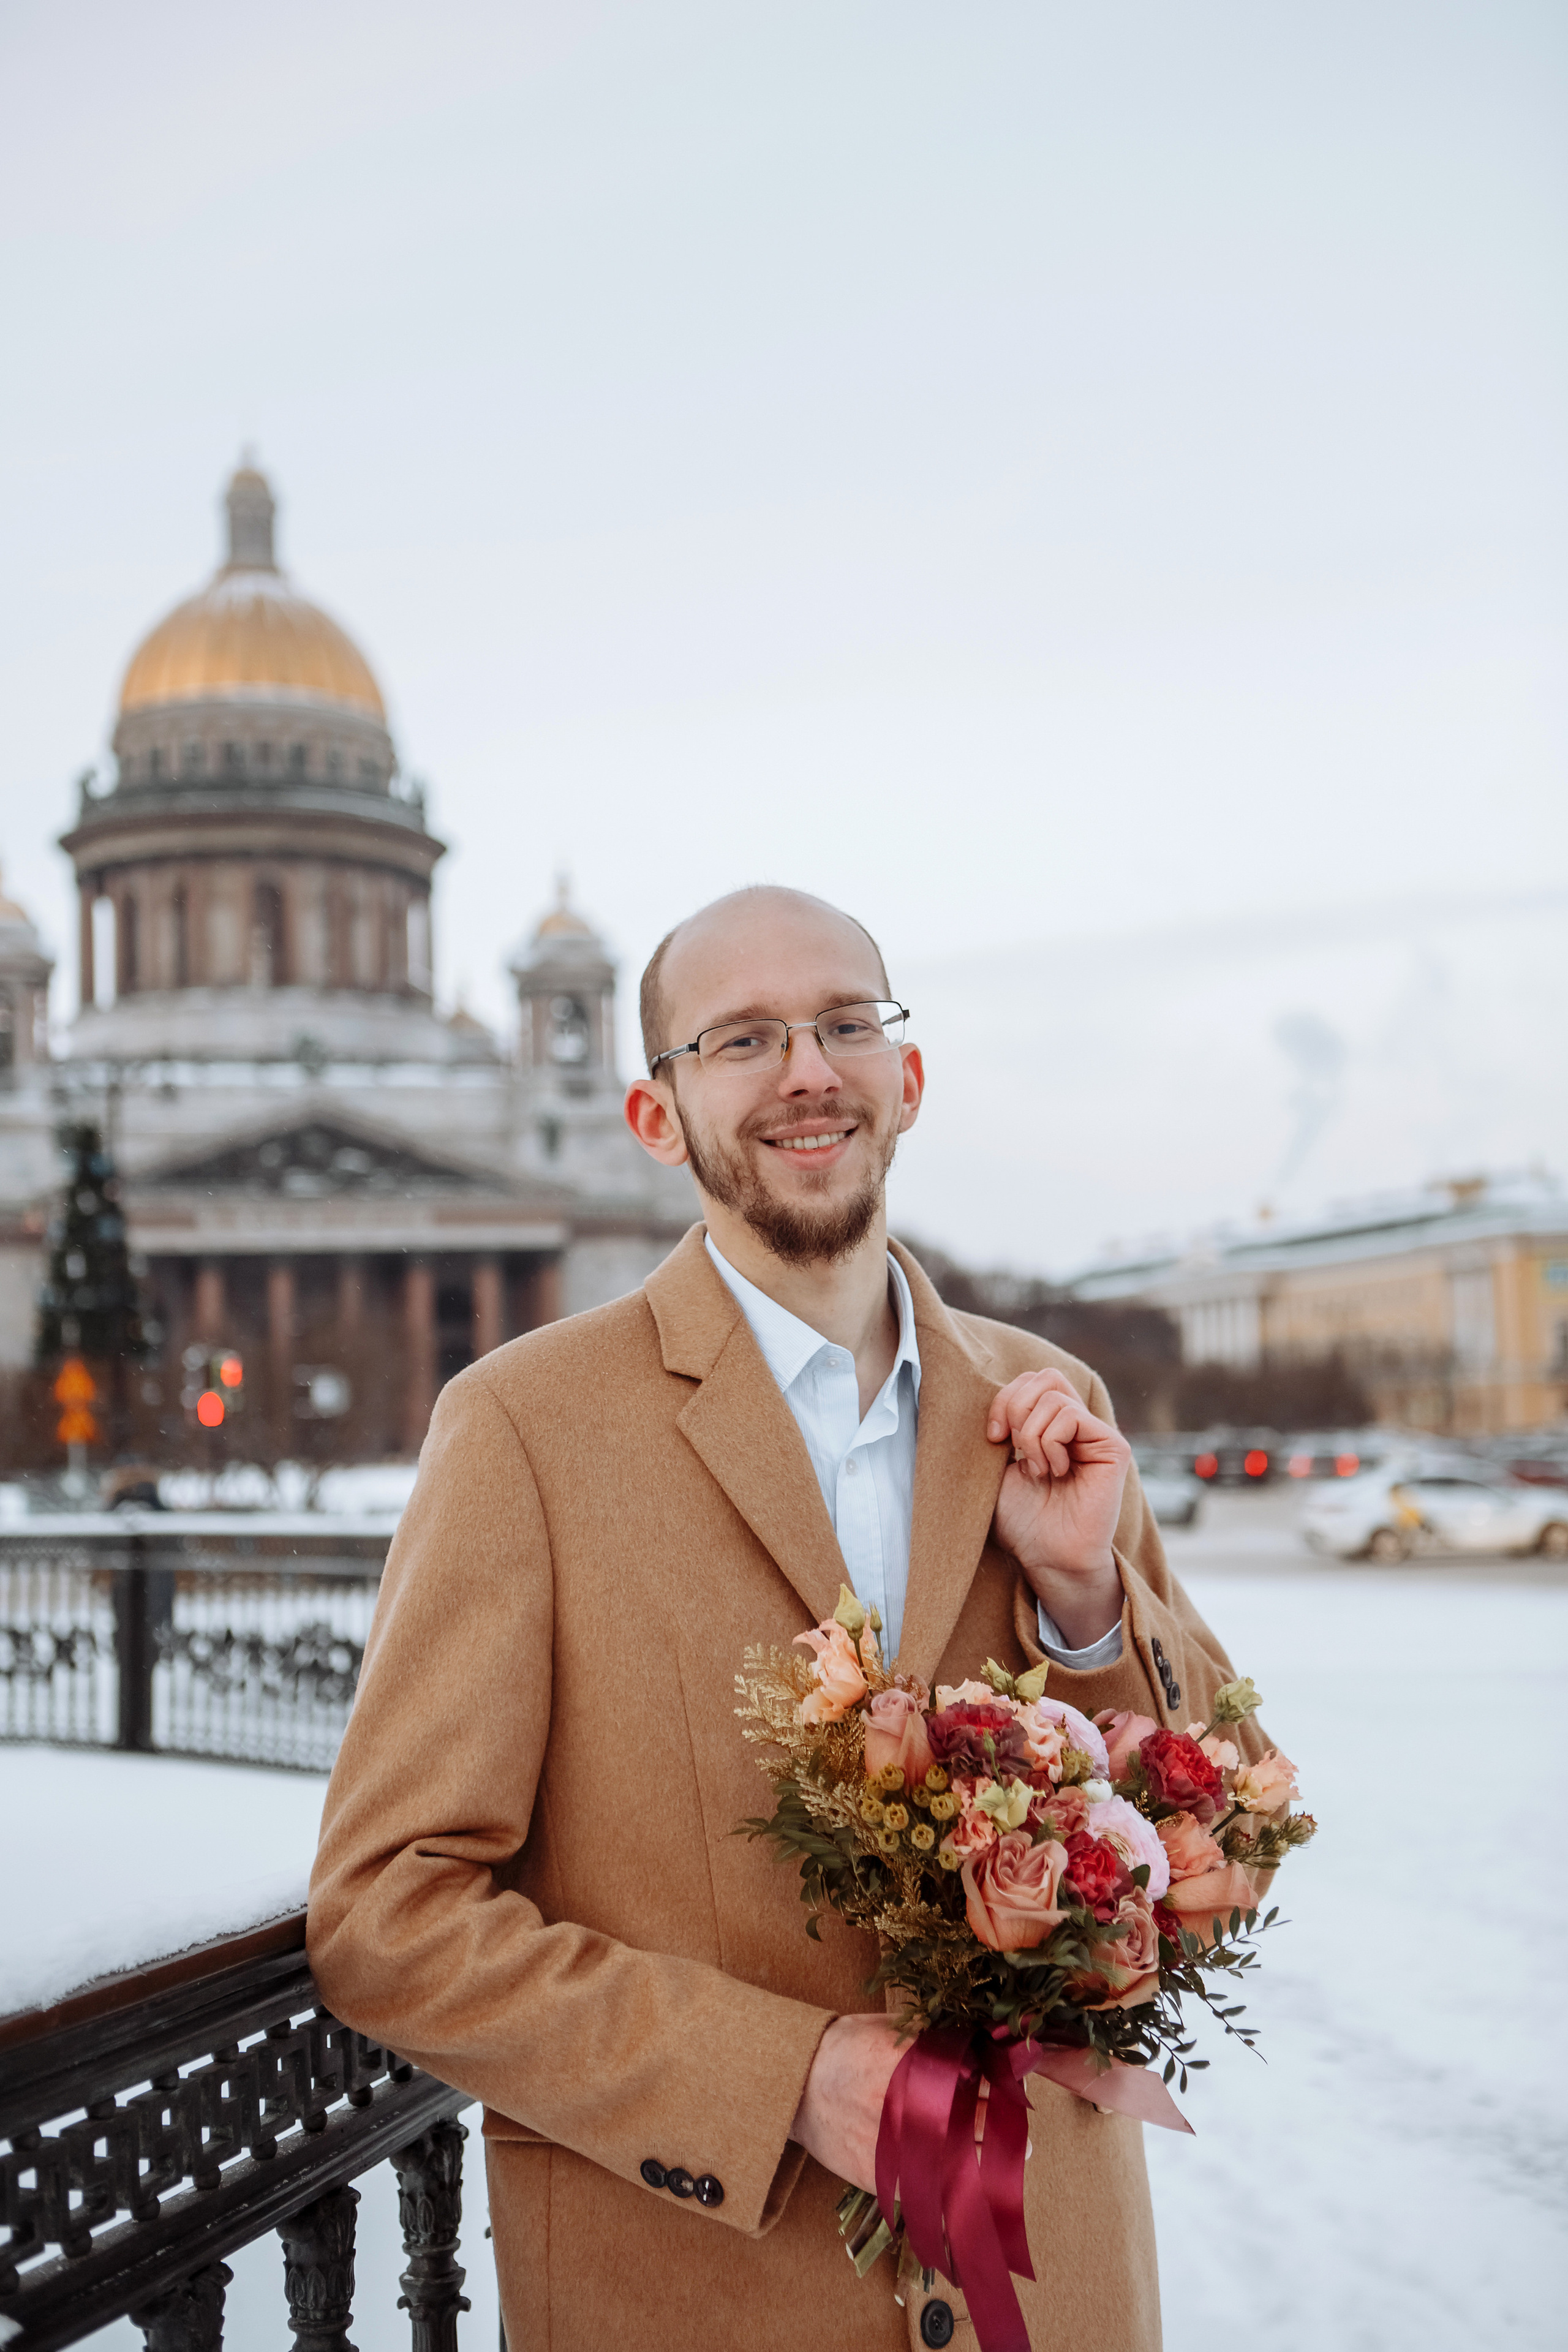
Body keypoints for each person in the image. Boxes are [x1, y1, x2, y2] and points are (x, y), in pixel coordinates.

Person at [309, 886, 1266, 2352]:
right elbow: (388, 1916)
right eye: (740, 1038)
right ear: (653, 1115)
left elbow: (1221, 1842)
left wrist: (1082, 1598)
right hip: (695, 2294)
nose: (807, 1069)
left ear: (908, 1080)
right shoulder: (521, 1431)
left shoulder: (1047, 1401)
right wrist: (780, 2078)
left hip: (1050, 2290)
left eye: (843, 1024)